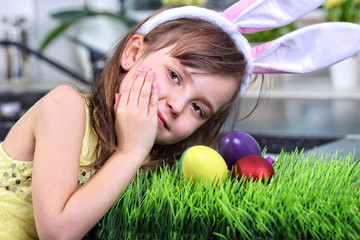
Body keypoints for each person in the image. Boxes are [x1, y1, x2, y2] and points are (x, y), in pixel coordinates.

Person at [1, 0, 360, 239]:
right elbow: (57, 232)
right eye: (175, 76)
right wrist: (131, 151)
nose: (176, 105)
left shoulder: (157, 156)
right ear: (132, 52)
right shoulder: (66, 107)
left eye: (198, 108)